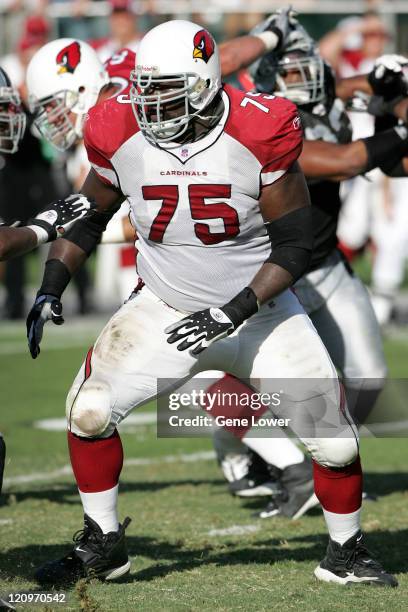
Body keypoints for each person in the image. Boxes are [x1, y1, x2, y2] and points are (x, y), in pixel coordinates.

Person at [27, 19, 395, 588]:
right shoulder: (115, 123)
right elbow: (91, 212)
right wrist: (53, 279)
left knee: (337, 443)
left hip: (261, 311)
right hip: (165, 305)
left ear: (202, 83)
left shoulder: (258, 129)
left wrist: (234, 310)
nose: (147, 101)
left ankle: (344, 552)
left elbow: (296, 245)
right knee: (89, 410)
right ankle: (104, 544)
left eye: (164, 87)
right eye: (143, 86)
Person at [210, 18, 408, 525]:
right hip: (272, 278)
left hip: (328, 269)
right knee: (231, 383)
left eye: (308, 74)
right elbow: (344, 161)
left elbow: (356, 97)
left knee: (370, 388)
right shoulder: (265, 128)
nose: (302, 84)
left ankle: (297, 463)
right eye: (290, 77)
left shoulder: (325, 98)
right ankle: (259, 462)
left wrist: (386, 83)